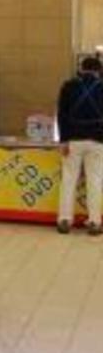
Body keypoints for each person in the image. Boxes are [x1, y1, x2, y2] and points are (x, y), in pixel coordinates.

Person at [57, 56, 103, 235]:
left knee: (68, 180)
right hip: (98, 141)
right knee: (95, 181)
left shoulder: (68, 86)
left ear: (81, 69)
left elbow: (61, 114)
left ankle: (64, 220)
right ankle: (95, 222)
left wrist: (63, 140)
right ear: (99, 71)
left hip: (73, 140)